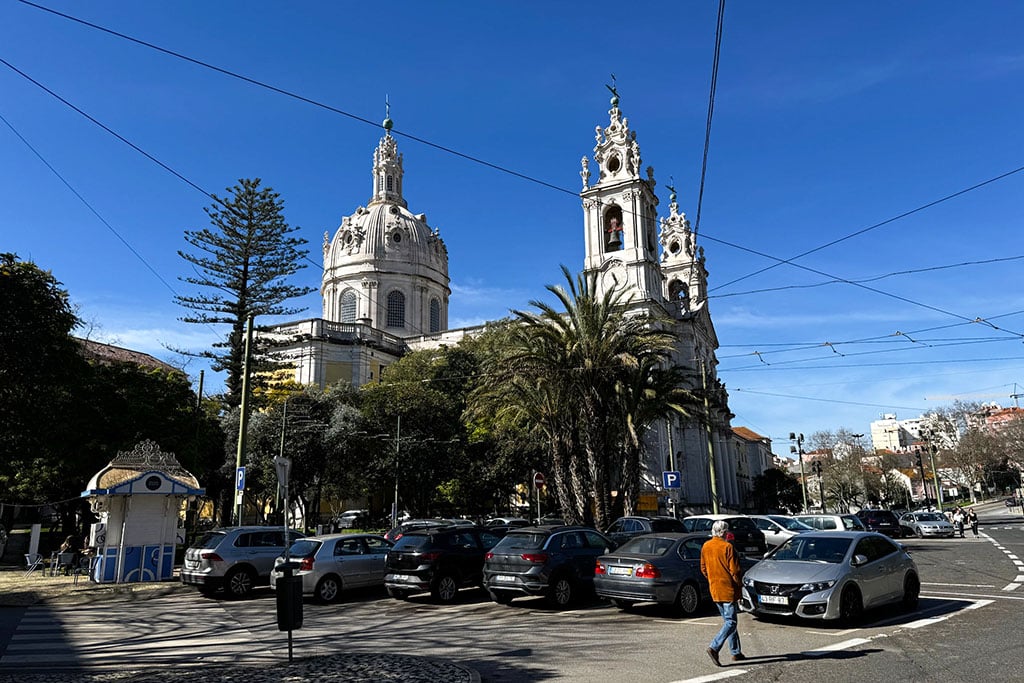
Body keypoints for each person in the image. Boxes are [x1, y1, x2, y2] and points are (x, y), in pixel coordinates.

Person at [700, 520, 745, 666]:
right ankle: (714, 647)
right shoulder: (727, 547)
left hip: (715, 588)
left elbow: (703, 568)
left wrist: (713, 579)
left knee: (728, 622)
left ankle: (735, 652)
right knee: (731, 622)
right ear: (724, 532)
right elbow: (735, 571)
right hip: (728, 589)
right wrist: (740, 585)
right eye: (727, 531)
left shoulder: (706, 546)